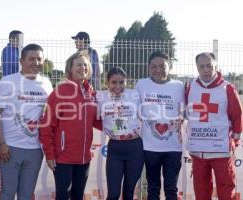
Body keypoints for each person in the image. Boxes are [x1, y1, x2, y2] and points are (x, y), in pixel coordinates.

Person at [39, 50, 102, 200]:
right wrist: (49, 153)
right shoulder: (59, 91)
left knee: (78, 196)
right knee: (63, 196)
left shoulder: (91, 93)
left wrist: (118, 119)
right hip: (63, 158)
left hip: (84, 158)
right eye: (78, 65)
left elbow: (97, 121)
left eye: (85, 65)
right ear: (70, 69)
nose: (83, 68)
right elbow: (47, 125)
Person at [0, 44, 53, 199]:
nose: (36, 63)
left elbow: (50, 114)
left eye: (39, 59)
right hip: (10, 148)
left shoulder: (46, 84)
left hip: (35, 150)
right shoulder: (8, 81)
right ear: (21, 61)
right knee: (7, 194)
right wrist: (1, 143)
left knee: (26, 195)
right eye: (31, 59)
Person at [185, 52, 242, 200]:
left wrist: (235, 140)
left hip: (221, 150)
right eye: (201, 66)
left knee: (226, 189)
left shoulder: (227, 88)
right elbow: (184, 111)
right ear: (197, 68)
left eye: (209, 65)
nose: (205, 69)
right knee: (201, 189)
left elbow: (237, 115)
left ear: (216, 66)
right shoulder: (190, 87)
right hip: (199, 151)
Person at [135, 51, 184, 200]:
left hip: (173, 147)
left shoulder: (179, 86)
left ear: (170, 67)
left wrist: (178, 119)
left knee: (171, 189)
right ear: (148, 68)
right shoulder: (141, 84)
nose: (158, 70)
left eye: (162, 66)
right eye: (153, 66)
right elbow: (136, 110)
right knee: (153, 189)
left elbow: (184, 111)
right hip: (150, 147)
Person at [96, 67, 144, 200]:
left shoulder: (134, 95)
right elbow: (92, 116)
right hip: (115, 149)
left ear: (126, 82)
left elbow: (145, 115)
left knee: (129, 194)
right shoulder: (100, 96)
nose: (118, 86)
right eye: (114, 82)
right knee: (113, 194)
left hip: (135, 149)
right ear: (107, 83)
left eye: (121, 82)